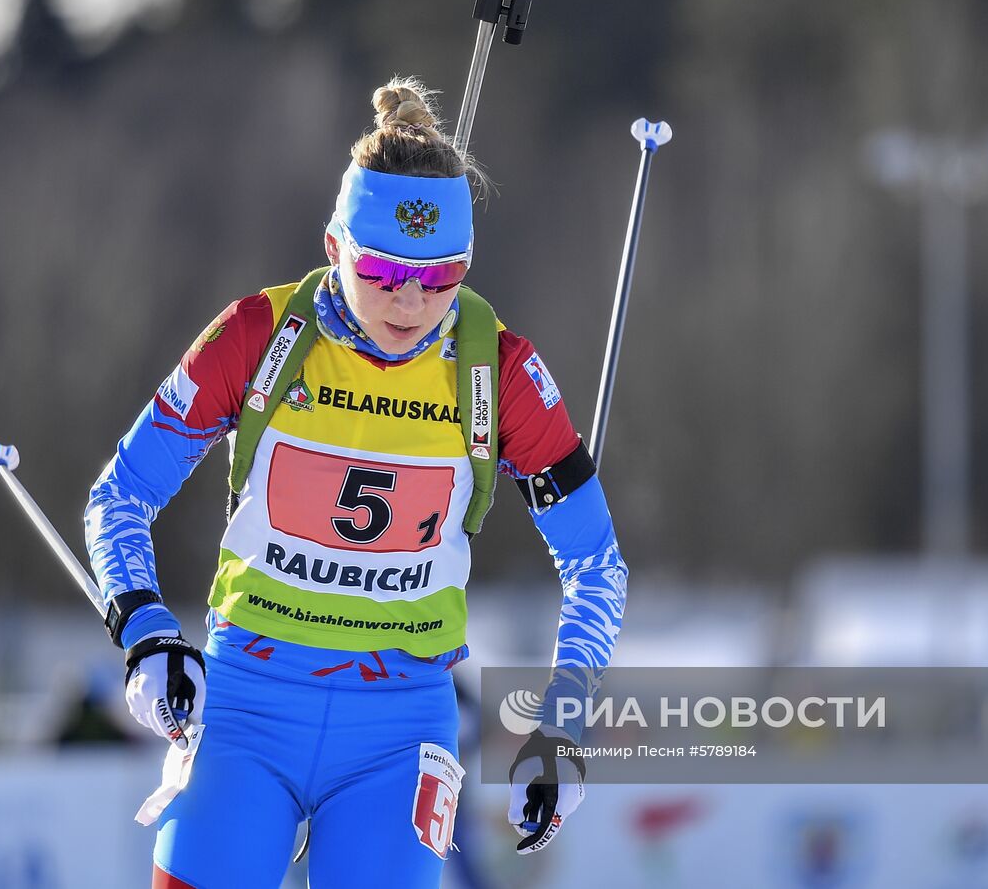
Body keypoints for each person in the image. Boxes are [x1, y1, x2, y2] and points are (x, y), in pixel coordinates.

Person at [85, 77, 628, 889]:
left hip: (401, 726)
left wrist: (563, 720)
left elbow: (597, 565)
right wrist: (147, 630)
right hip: (248, 708)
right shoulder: (259, 336)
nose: (412, 301)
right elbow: (121, 494)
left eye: (442, 276)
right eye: (382, 270)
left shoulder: (500, 371)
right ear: (334, 247)